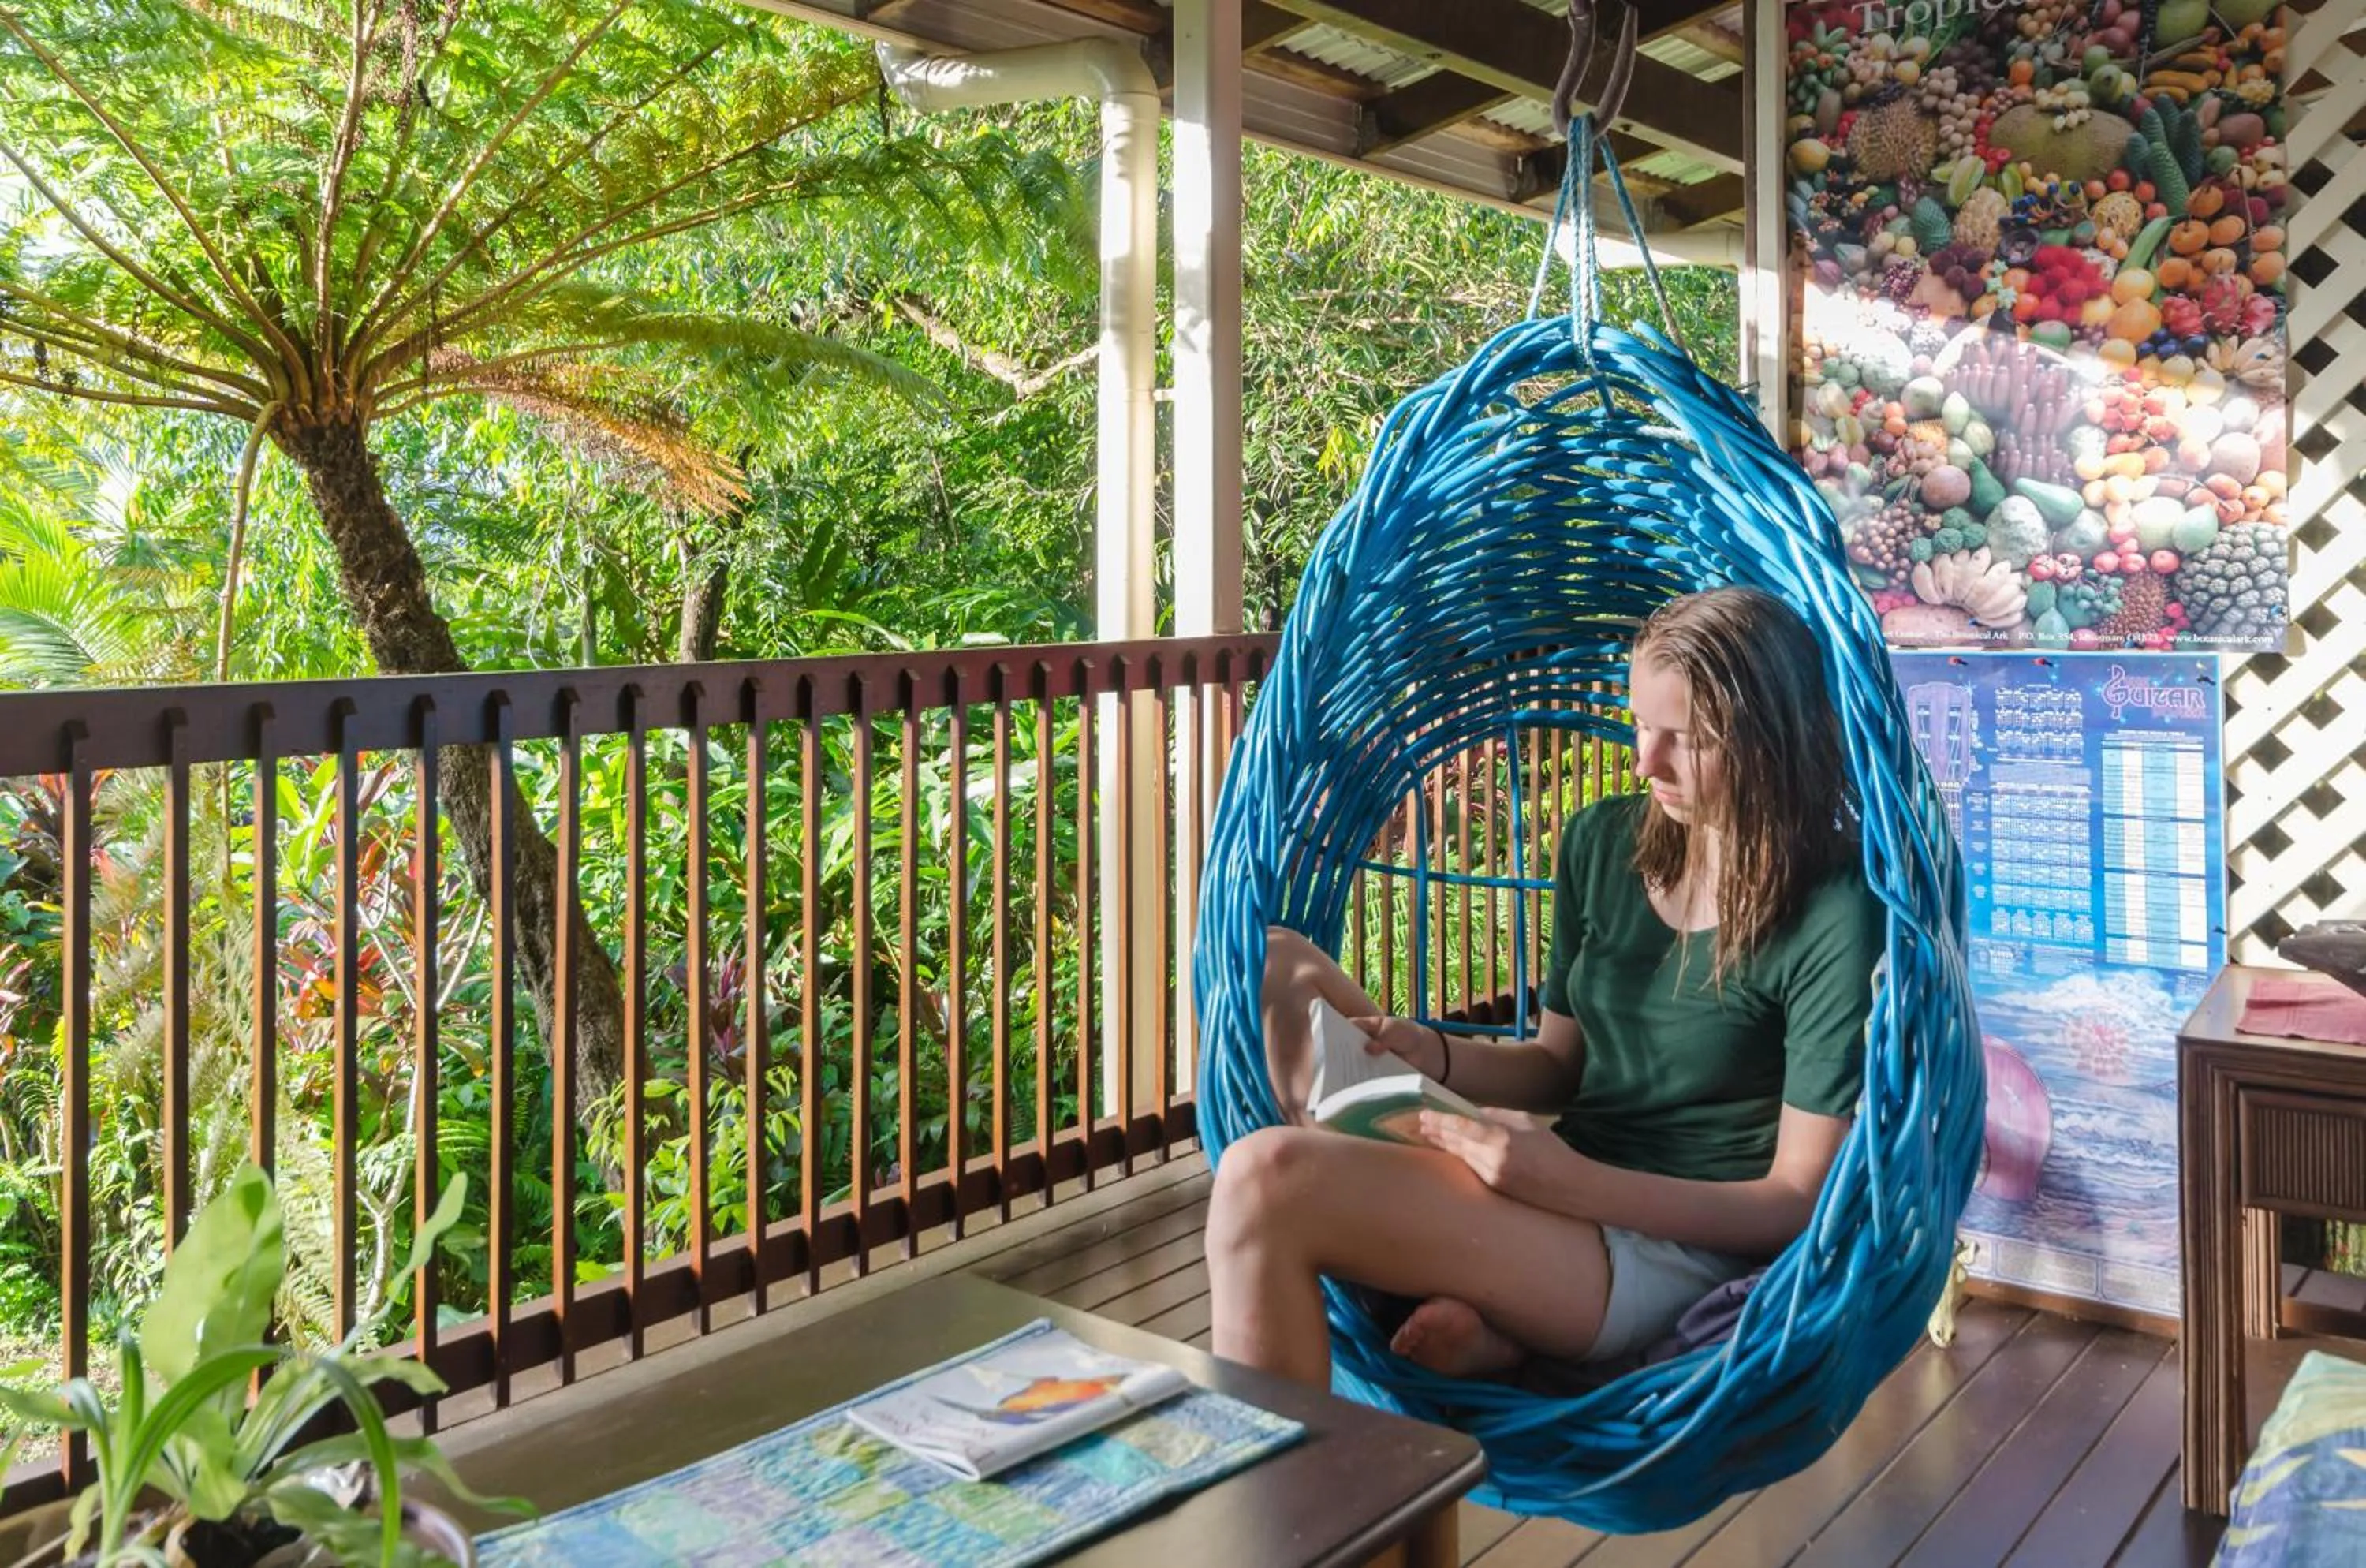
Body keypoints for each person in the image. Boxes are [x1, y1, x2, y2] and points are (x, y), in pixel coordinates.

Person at [1205, 585, 1886, 1388]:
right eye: (1641, 724)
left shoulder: (1834, 904)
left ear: (1771, 741)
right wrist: (1441, 1056)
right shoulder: (1604, 841)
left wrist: (1565, 1181)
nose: (1646, 761)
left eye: (1688, 739)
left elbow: (1795, 1200)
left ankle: (1285, 1500)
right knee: (1272, 962)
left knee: (1264, 1179)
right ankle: (1495, 1320)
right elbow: (1556, 1066)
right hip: (1554, 1182)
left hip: (1665, 1247)